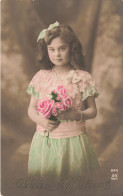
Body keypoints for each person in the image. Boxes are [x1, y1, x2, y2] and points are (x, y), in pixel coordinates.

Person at [27, 21, 100, 181]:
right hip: (47, 141)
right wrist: (42, 121)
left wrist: (76, 114)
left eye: (62, 48)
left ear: (72, 49)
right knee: (49, 183)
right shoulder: (41, 77)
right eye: (51, 49)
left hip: (73, 141)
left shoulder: (82, 77)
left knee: (73, 183)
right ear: (46, 51)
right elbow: (31, 109)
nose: (57, 54)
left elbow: (92, 111)